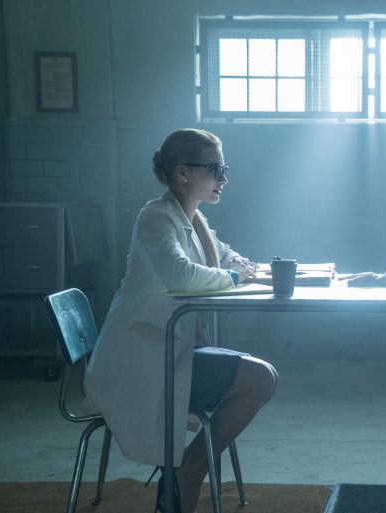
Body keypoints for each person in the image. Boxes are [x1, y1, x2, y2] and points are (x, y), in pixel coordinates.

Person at [84, 128, 278, 513]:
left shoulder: (194, 219)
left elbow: (224, 256)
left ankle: (188, 470)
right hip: (141, 359)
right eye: (214, 169)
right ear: (182, 172)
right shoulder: (155, 218)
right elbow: (181, 274)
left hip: (169, 348)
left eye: (224, 169)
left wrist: (240, 265)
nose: (223, 178)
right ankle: (190, 471)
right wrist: (235, 275)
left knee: (263, 375)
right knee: (260, 378)